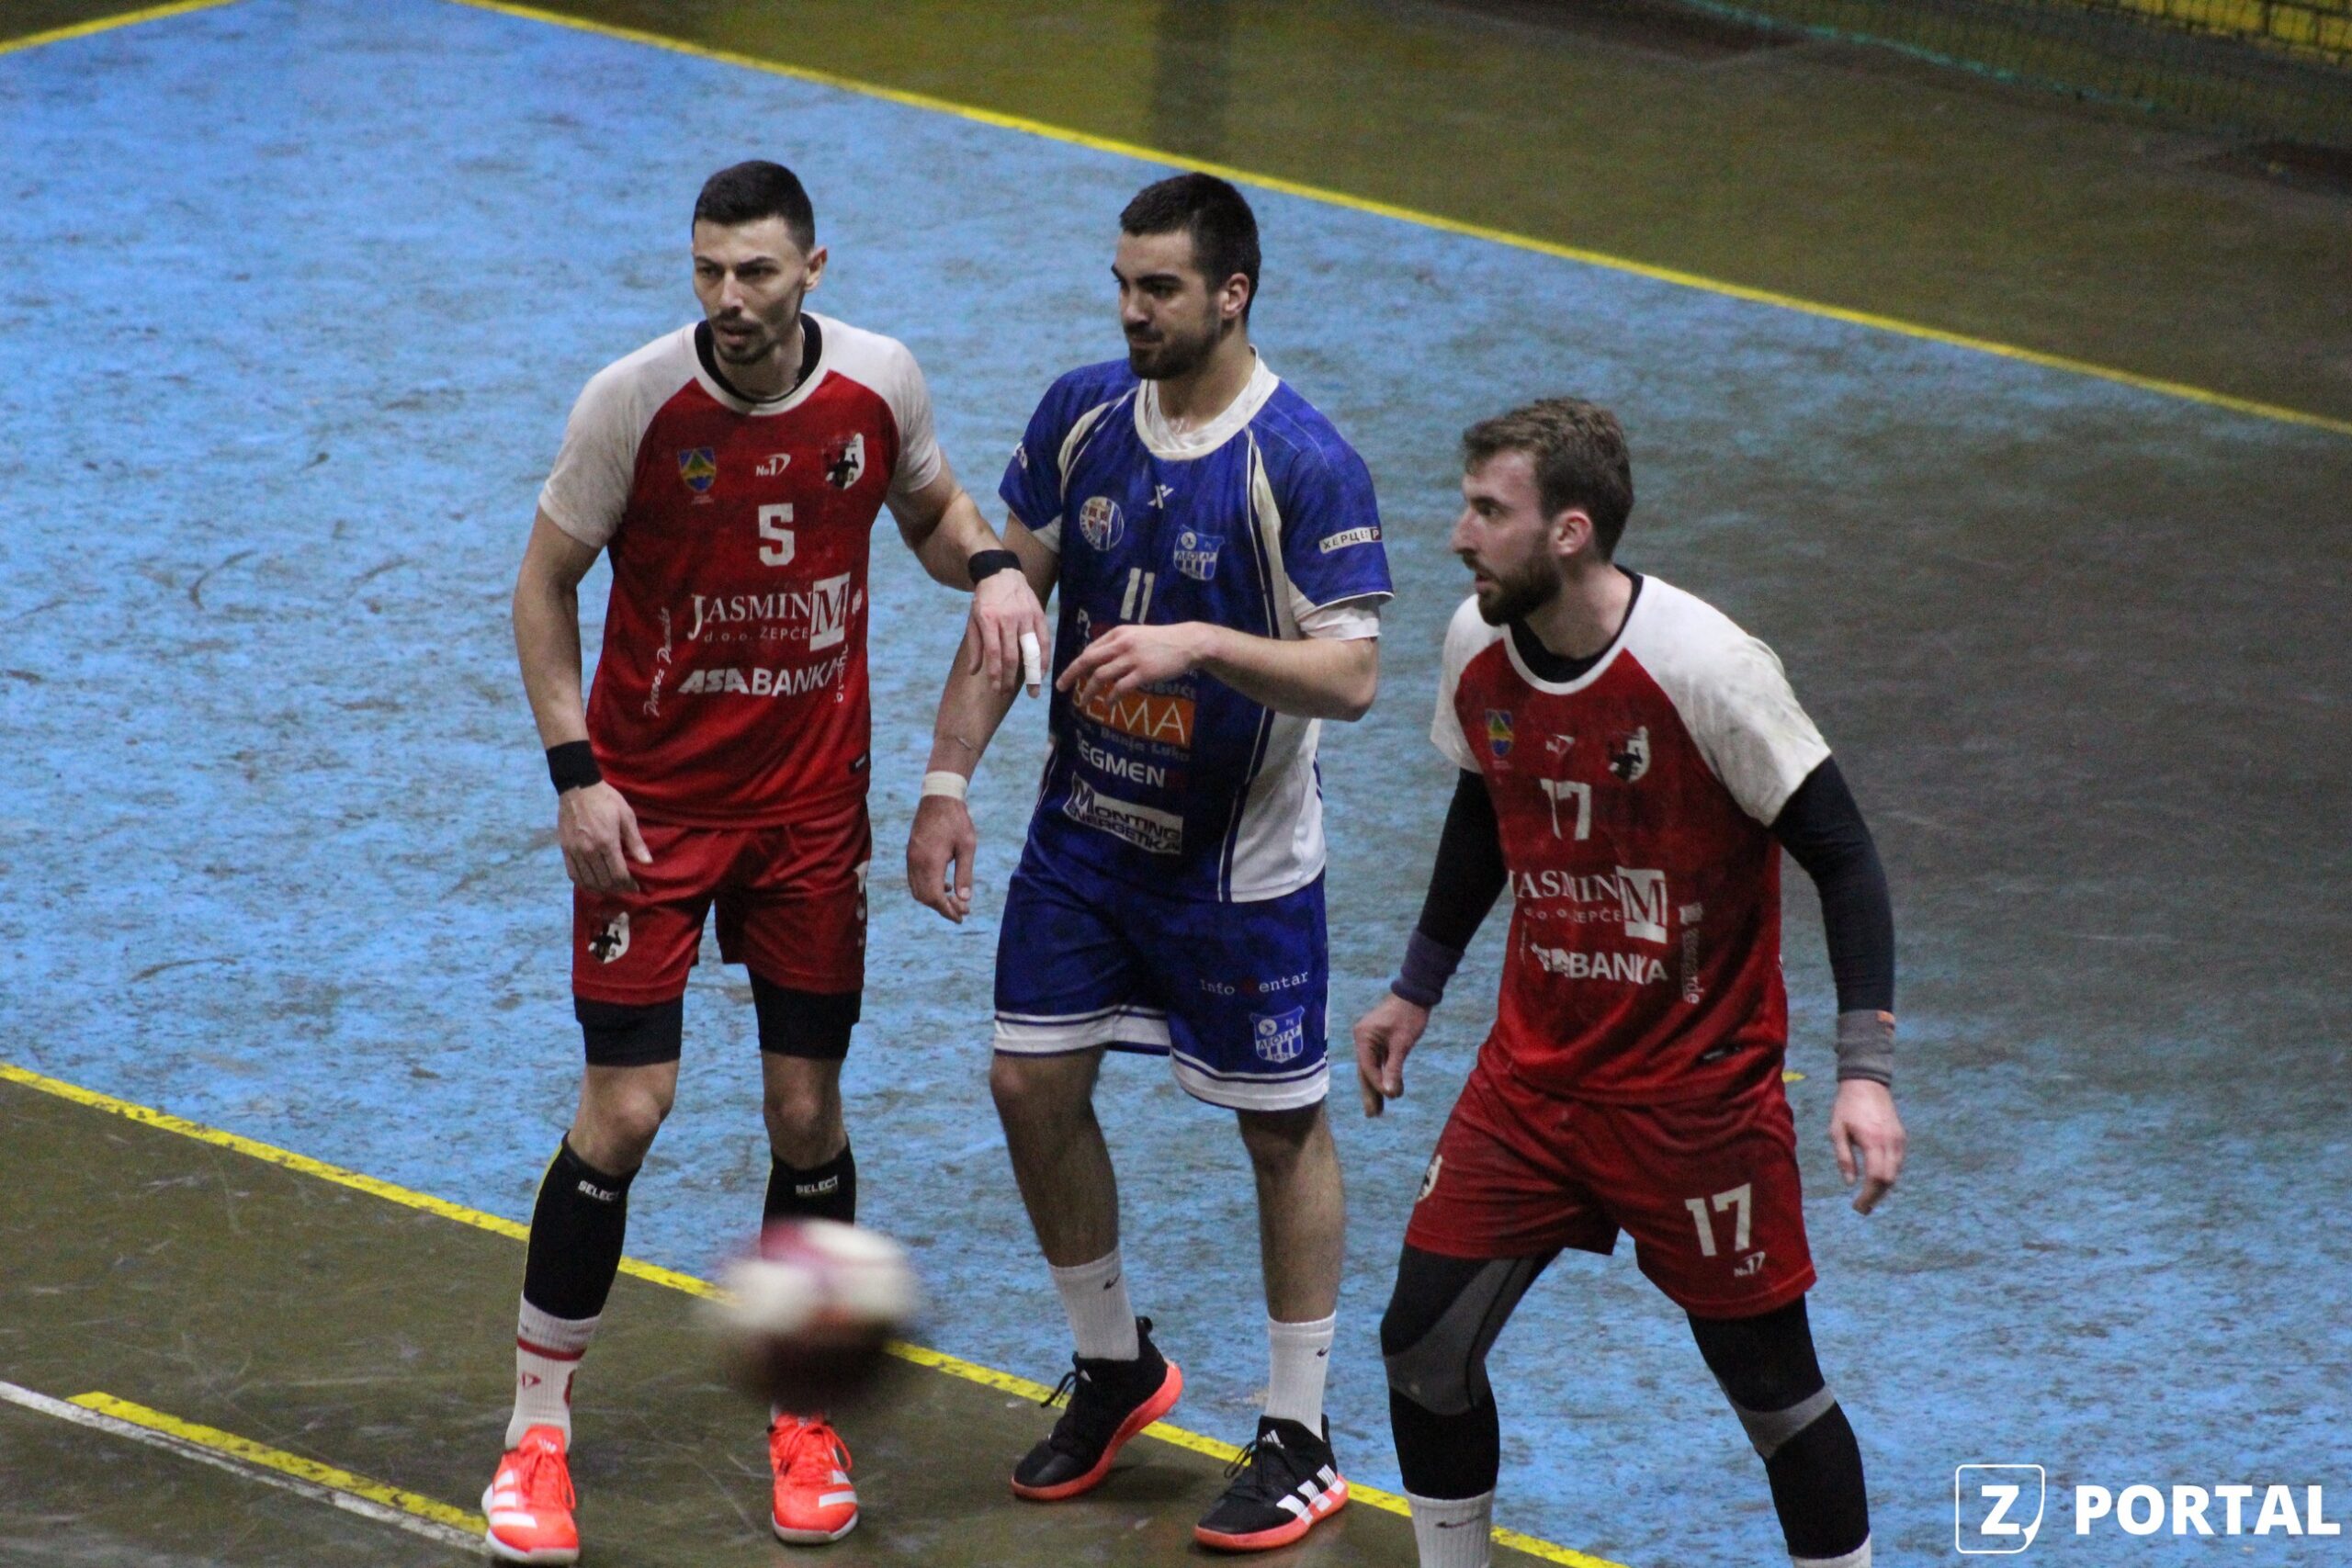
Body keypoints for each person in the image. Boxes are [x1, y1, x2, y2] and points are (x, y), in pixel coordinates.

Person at [485, 160, 1046, 1564]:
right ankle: (535, 1433)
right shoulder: (633, 402)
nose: (728, 298)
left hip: (807, 813)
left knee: (806, 1108)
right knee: (627, 1108)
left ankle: (806, 1413)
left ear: (813, 269)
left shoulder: (877, 384)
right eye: (708, 271)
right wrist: (576, 775)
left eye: (755, 271)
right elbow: (543, 583)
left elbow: (930, 508)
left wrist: (991, 566)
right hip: (652, 810)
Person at [905, 172, 1390, 1552]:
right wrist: (946, 781)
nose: (1132, 310)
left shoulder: (1301, 460)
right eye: (1122, 283)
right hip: (1084, 838)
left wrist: (1203, 645)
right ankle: (1116, 1364)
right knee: (1026, 1081)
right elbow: (1009, 609)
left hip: (1237, 871)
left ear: (1232, 294)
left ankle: (1298, 1431)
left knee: (1279, 1127)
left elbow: (1353, 676)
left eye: (1159, 288)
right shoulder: (1080, 416)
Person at [1355, 399, 1907, 1568]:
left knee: (1775, 1396)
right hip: (1531, 1087)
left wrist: (1864, 1074)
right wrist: (1416, 988)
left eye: (1486, 511)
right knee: (1422, 1350)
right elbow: (1483, 807)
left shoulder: (1705, 667)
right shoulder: (1476, 644)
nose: (1458, 535)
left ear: (1568, 532)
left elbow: (1845, 858)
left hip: (1693, 1103)